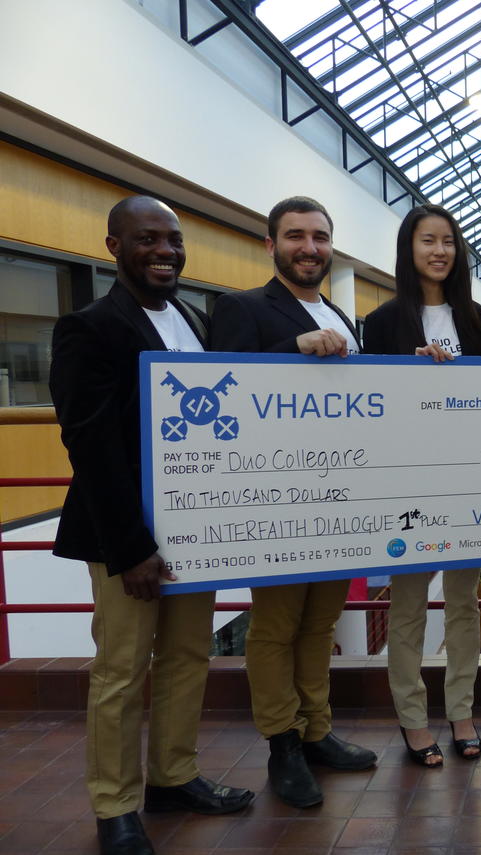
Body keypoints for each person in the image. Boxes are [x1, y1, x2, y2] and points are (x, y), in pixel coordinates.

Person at [51, 196, 253, 855]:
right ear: (113, 245)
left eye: (173, 238)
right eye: (147, 239)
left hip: (195, 529)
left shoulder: (192, 317)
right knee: (120, 669)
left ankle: (173, 775)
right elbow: (89, 441)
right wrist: (132, 547)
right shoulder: (90, 325)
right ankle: (115, 805)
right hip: (126, 537)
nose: (164, 250)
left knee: (188, 656)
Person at [209, 196, 377, 808]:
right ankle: (282, 744)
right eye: (296, 235)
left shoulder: (339, 312)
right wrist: (292, 351)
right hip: (278, 501)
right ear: (271, 244)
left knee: (319, 624)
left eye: (321, 237)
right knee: (276, 628)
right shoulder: (243, 307)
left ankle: (317, 732)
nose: (310, 247)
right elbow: (221, 384)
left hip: (340, 496)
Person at [362, 204, 481, 765]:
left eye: (448, 241)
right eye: (427, 241)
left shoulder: (476, 318)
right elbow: (372, 405)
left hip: (467, 481)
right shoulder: (385, 320)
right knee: (409, 606)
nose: (439, 251)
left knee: (464, 605)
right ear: (407, 250)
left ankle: (461, 710)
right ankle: (413, 719)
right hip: (411, 485)